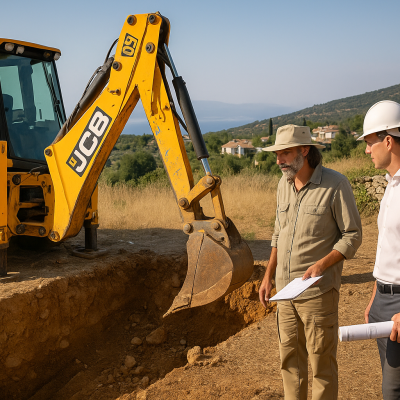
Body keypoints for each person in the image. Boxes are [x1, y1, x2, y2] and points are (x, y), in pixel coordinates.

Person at [259, 124, 362, 400]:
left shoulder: (336, 185)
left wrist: (322, 265)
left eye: (285, 153)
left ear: (305, 151)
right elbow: (278, 233)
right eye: (277, 154)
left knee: (322, 366)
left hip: (317, 293)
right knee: (290, 365)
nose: (279, 160)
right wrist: (268, 275)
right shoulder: (283, 184)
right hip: (284, 292)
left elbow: (352, 236)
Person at [359, 100, 400, 400]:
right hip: (383, 303)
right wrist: (375, 296)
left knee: (392, 391)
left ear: (388, 140)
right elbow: (389, 248)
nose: (366, 150)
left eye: (370, 142)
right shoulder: (390, 184)